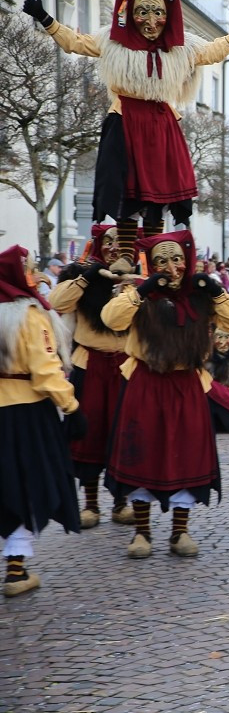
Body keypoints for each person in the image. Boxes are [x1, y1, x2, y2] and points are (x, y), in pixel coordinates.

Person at [22, 0, 229, 272]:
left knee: (157, 194)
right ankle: (126, 254)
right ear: (130, 14)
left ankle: (155, 251)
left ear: (167, 14)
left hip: (160, 124)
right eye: (143, 12)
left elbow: (211, 52)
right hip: (125, 120)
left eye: (157, 13)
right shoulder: (113, 42)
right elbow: (75, 42)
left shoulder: (180, 46)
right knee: (126, 190)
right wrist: (44, 17)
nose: (150, 21)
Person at [101, 230, 229, 558]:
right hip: (146, 383)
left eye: (176, 259)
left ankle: (180, 531)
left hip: (186, 384)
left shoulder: (200, 295)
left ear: (186, 261)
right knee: (142, 450)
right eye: (161, 261)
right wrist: (141, 292)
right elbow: (110, 319)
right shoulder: (140, 294)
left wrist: (218, 291)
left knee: (188, 451)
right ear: (152, 265)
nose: (171, 266)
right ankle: (141, 532)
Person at [0, 245, 83, 597]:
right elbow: (46, 370)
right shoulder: (29, 315)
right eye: (31, 270)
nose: (36, 276)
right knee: (23, 485)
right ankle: (16, 572)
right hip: (25, 412)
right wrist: (72, 405)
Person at [48, 225, 134, 528]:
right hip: (90, 365)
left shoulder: (136, 278)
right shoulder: (80, 274)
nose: (112, 247)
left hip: (125, 366)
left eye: (118, 242)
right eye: (107, 242)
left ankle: (121, 501)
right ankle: (91, 503)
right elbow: (57, 303)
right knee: (88, 432)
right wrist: (88, 277)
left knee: (123, 432)